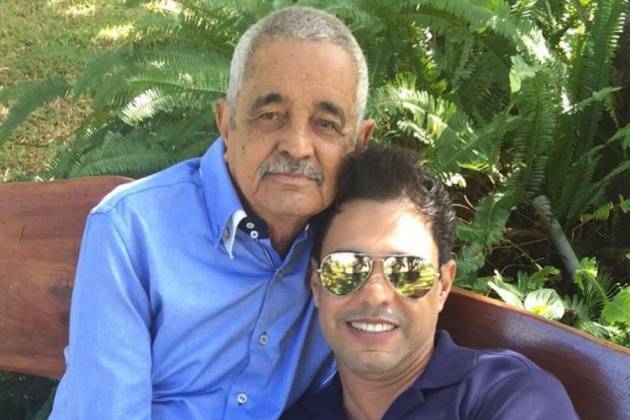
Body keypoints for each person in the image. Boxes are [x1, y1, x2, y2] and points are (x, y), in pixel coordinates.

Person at [49, 6, 374, 419]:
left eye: (326, 124)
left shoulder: (356, 249)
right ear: (225, 122)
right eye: (270, 116)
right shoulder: (131, 231)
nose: (296, 146)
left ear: (359, 142)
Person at [284, 145, 578, 420]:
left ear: (443, 286)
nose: (374, 294)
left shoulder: (508, 396)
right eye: (347, 267)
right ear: (316, 284)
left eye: (408, 270)